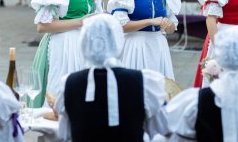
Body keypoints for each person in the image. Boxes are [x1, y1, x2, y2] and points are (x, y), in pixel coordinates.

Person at [55, 14, 168, 142]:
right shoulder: (144, 81)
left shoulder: (68, 84)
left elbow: (64, 134)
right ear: (117, 41)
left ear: (84, 42)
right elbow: (162, 128)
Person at [30, 0, 102, 106]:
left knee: (82, 96)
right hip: (62, 46)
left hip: (84, 48)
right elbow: (43, 26)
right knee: (60, 93)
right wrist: (80, 22)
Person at [107, 0, 181, 79]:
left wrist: (168, 25)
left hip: (159, 47)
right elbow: (120, 26)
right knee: (136, 88)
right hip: (135, 46)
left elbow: (171, 29)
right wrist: (150, 21)